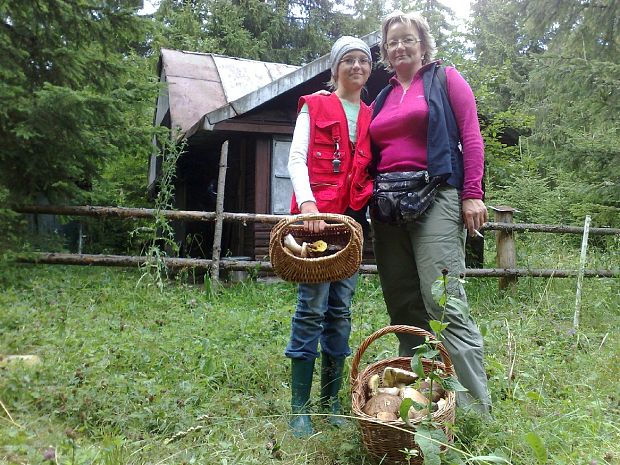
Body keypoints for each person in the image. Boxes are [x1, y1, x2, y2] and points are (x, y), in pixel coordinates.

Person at [369, 11, 491, 414]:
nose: (399, 47)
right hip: (388, 205)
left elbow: (471, 137)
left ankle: (474, 409)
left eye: (407, 39)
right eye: (392, 42)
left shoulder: (445, 79)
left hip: (436, 194)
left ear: (422, 43)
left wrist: (472, 194)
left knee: (443, 301)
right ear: (385, 51)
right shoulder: (382, 97)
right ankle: (425, 399)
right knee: (403, 302)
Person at [285, 36, 374, 437]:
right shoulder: (315, 106)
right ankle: (299, 409)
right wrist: (308, 207)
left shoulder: (374, 115)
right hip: (316, 224)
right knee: (311, 308)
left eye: (364, 60)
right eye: (349, 60)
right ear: (335, 68)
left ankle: (332, 402)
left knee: (341, 310)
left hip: (352, 225)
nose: (357, 66)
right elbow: (297, 159)